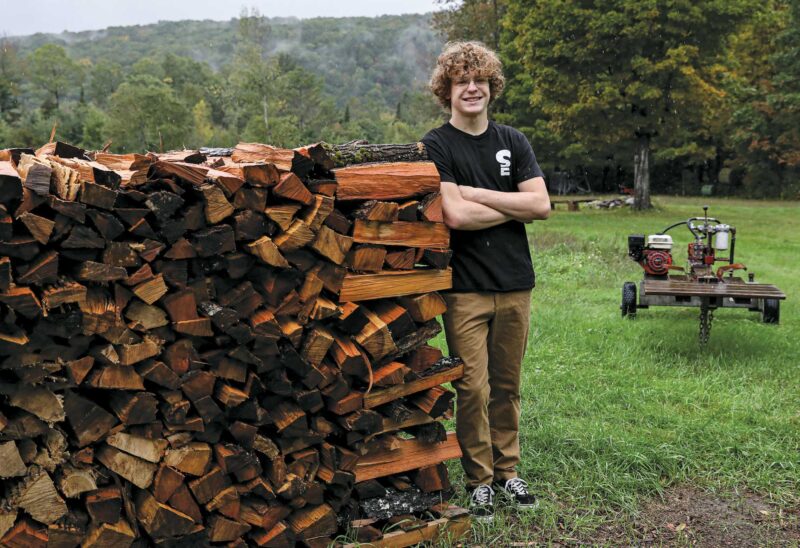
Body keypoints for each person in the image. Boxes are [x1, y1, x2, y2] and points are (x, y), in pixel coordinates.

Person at [421, 41, 551, 521]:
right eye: (461, 81)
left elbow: (541, 206)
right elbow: (454, 214)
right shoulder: (437, 144)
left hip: (515, 282)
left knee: (507, 384)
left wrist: (477, 193)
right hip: (466, 287)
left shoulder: (513, 141)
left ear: (491, 87)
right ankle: (478, 480)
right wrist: (506, 200)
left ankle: (508, 473)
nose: (471, 88)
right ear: (447, 90)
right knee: (473, 387)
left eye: (479, 80)